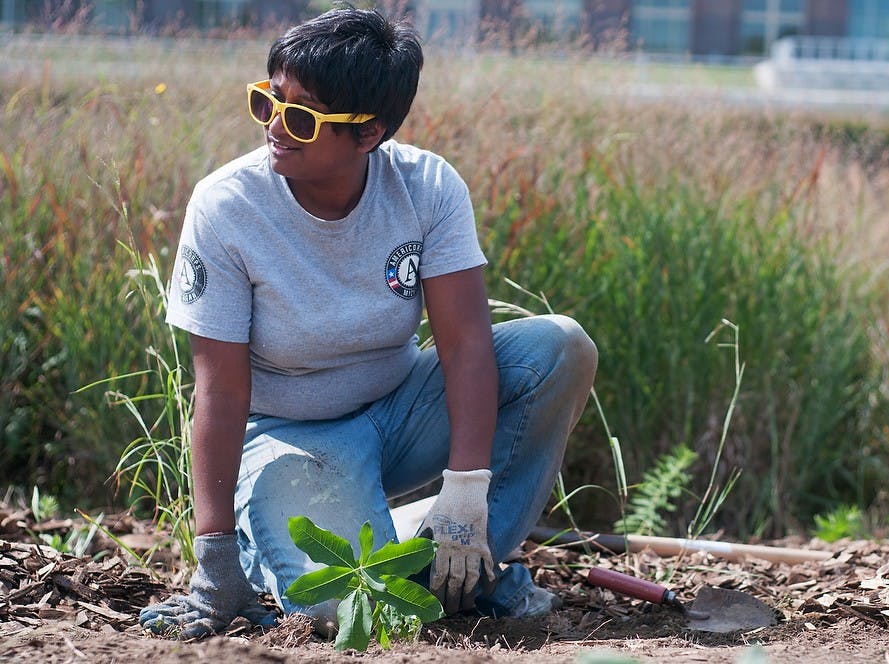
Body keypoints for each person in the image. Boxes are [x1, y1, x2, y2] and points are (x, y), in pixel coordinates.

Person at [139, 5, 597, 639]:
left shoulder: (426, 187)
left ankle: (468, 550)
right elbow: (219, 390)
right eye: (267, 102)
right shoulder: (228, 208)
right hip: (292, 438)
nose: (276, 126)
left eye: (301, 117)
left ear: (369, 133)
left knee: (559, 347)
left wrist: (466, 494)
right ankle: (324, 546)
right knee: (343, 606)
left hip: (398, 407)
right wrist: (213, 560)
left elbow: (465, 345)